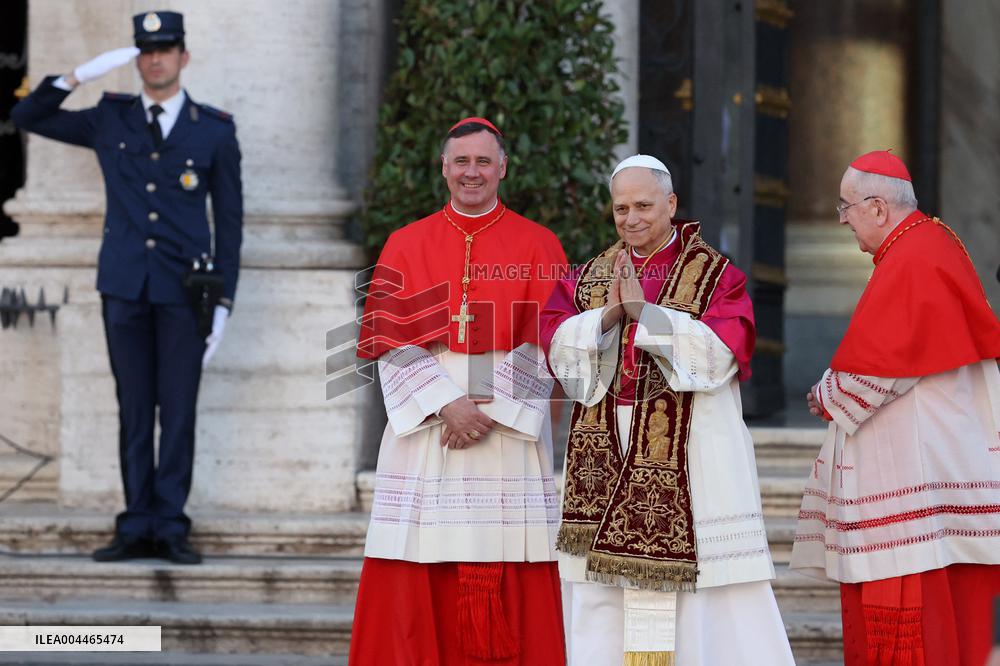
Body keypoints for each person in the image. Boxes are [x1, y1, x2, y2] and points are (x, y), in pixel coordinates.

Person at [540, 154, 794, 665]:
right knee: (602, 598)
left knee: (708, 599)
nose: (631, 219)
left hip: (692, 456)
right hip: (608, 453)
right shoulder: (590, 276)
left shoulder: (714, 274)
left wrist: (649, 318)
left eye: (643, 206)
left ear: (671, 204)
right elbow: (553, 341)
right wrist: (605, 319)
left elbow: (728, 350)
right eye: (620, 209)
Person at [11, 11, 243, 565]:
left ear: (184, 57)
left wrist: (224, 300)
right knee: (134, 410)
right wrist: (76, 76)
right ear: (135, 58)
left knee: (178, 412)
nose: (154, 59)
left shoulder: (213, 129)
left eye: (165, 50)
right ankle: (136, 522)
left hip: (185, 293)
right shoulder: (109, 120)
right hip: (124, 289)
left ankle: (171, 525)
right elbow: (26, 115)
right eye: (145, 50)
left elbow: (230, 221)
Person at [350, 117, 569, 664]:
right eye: (461, 162)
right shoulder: (405, 243)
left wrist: (489, 408)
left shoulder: (539, 243)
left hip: (505, 427)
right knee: (420, 551)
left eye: (483, 161)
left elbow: (554, 341)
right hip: (430, 420)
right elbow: (387, 336)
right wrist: (446, 403)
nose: (472, 172)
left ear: (503, 168)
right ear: (444, 168)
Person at [792, 150, 1000, 665]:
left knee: (914, 618)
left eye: (845, 208)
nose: (843, 221)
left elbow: (880, 367)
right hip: (932, 459)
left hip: (914, 470)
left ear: (878, 208)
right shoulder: (928, 243)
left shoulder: (912, 256)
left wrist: (825, 393)